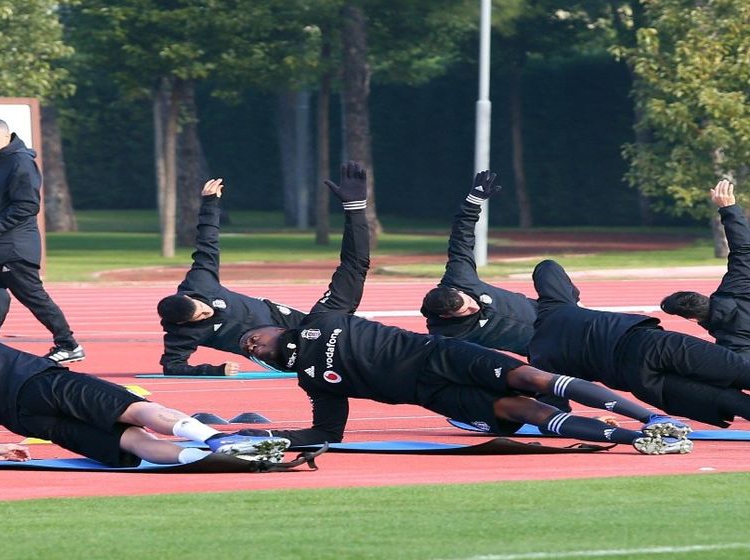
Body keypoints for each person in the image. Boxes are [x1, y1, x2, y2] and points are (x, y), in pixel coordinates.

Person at [238, 162, 692, 454]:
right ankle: (644, 439)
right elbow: (327, 435)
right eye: (249, 350)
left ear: (275, 327)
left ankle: (652, 416)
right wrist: (268, 437)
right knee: (522, 412)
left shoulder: (323, 318)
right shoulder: (312, 382)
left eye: (253, 336)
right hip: (432, 394)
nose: (253, 344)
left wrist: (356, 208)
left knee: (530, 378)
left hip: (438, 355)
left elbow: (355, 263)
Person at [0, 276, 291, 466]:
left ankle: (197, 458)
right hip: (44, 383)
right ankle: (216, 442)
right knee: (131, 410)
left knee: (127, 443)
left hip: (29, 422)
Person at [530, 257, 750, 429]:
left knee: (727, 399)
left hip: (640, 380)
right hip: (650, 344)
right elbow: (547, 267)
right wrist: (574, 299)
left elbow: (552, 411)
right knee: (739, 371)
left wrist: (593, 422)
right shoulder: (555, 304)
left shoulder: (539, 355)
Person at [0, 117, 83, 364]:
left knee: (32, 296)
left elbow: (26, 204)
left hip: (10, 249)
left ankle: (69, 345)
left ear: (7, 136)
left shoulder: (18, 162)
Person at [156, 178, 306, 375]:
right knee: (306, 365)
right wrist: (214, 370)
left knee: (326, 328)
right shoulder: (180, 334)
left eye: (201, 307)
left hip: (274, 314)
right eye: (199, 317)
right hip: (260, 348)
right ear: (183, 324)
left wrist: (210, 203)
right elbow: (172, 366)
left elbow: (207, 243)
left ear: (188, 297)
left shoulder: (200, 282)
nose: (206, 312)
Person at [420, 171, 537, 355]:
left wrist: (473, 201)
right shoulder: (447, 334)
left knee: (547, 269)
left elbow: (461, 237)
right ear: (445, 316)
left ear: (456, 290)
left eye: (468, 300)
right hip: (544, 348)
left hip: (549, 311)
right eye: (465, 310)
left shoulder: (459, 277)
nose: (474, 305)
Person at [660, 179, 750, 353]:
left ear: (693, 319)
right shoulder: (736, 286)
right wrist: (729, 209)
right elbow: (743, 250)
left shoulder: (732, 344)